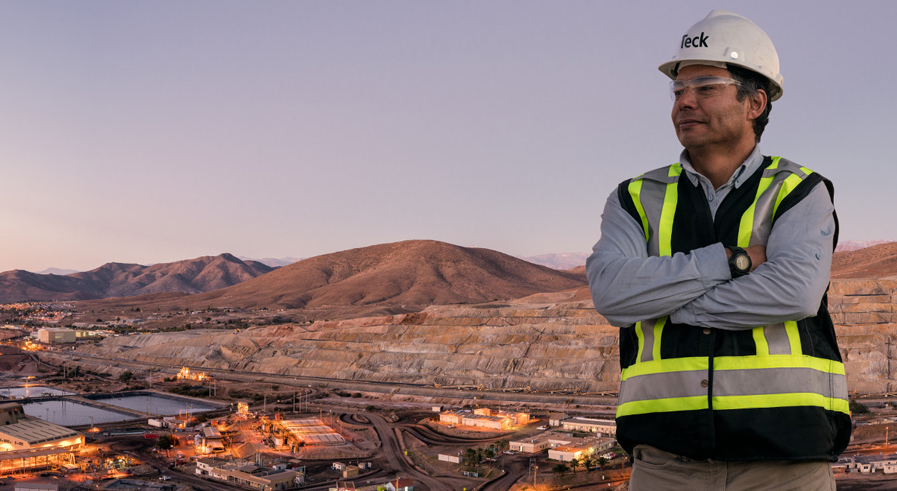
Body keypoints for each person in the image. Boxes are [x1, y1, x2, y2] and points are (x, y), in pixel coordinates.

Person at [586, 10, 851, 490]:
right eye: (678, 91)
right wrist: (735, 261)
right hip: (664, 466)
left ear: (755, 102)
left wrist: (664, 301)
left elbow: (794, 293)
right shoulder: (633, 199)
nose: (683, 102)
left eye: (705, 88)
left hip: (785, 467)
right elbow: (611, 296)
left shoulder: (799, 191)